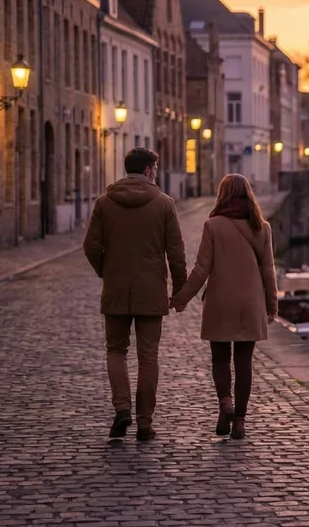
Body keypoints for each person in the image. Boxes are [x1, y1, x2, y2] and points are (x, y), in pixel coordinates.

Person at [83, 147, 186, 442]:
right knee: (148, 357)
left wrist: (108, 271)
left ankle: (122, 408)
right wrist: (179, 290)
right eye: (155, 167)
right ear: (150, 170)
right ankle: (144, 423)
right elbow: (176, 253)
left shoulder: (105, 201)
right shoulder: (164, 204)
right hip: (151, 291)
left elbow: (90, 246)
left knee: (116, 351)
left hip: (116, 290)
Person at [170, 174, 277, 439]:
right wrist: (272, 303)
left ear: (223, 195)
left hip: (220, 302)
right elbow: (268, 271)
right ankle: (239, 422)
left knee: (220, 359)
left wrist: (181, 298)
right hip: (250, 304)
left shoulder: (213, 225)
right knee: (244, 363)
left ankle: (225, 403)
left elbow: (201, 269)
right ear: (249, 194)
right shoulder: (261, 227)